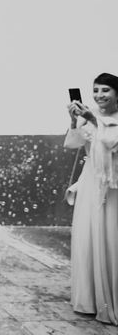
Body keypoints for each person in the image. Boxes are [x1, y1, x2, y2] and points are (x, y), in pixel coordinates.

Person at [65, 72, 118, 325]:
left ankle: (110, 301)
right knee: (86, 238)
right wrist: (74, 120)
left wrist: (93, 120)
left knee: (110, 239)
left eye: (105, 90)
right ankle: (89, 300)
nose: (99, 95)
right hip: (89, 184)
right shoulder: (91, 116)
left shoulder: (106, 119)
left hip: (112, 189)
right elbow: (75, 144)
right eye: (96, 90)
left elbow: (111, 143)